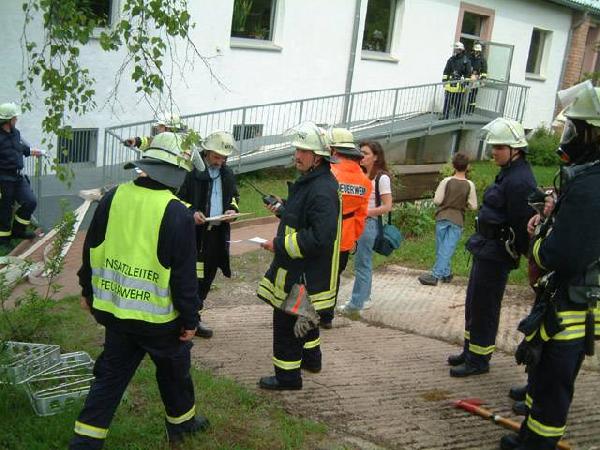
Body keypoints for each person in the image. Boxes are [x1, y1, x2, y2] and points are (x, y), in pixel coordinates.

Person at [70, 132, 207, 449]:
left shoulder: (112, 197)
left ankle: (84, 442)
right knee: (174, 374)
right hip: (160, 323)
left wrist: (87, 291)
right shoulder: (177, 212)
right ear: (176, 172)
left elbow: (91, 251)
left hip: (116, 313)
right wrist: (190, 319)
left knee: (109, 379)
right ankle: (182, 426)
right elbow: (184, 277)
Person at [500, 81, 600, 450]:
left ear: (592, 135)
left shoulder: (590, 188)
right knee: (544, 377)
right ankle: (529, 436)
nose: (568, 137)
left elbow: (560, 255)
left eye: (574, 129)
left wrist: (539, 237)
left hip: (572, 306)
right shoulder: (588, 181)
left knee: (553, 384)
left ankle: (536, 444)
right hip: (574, 301)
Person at [448, 118, 537, 377]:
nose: (493, 151)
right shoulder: (509, 173)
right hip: (486, 247)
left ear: (515, 150)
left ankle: (479, 360)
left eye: (499, 147)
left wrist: (524, 254)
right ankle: (470, 350)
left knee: (485, 307)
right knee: (474, 303)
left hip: (498, 253)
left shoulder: (520, 181)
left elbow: (523, 222)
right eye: (494, 146)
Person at [257, 121, 341, 390]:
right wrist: (284, 209)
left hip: (303, 275)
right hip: (303, 273)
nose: (297, 155)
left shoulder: (322, 189)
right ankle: (312, 360)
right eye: (297, 149)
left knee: (287, 325)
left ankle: (287, 378)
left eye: (303, 151)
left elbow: (319, 237)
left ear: (318, 157)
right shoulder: (312, 182)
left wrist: (279, 245)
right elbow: (303, 218)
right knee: (307, 318)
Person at [178, 131, 240, 339]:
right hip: (194, 236)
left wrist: (232, 210)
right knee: (192, 278)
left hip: (216, 235)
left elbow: (234, 197)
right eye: (216, 157)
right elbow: (176, 199)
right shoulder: (191, 173)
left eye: (223, 158)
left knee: (207, 277)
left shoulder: (227, 174)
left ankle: (194, 318)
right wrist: (191, 212)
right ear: (206, 153)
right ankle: (186, 319)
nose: (219, 162)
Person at [319, 128, 371, 329]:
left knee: (315, 274)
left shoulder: (328, 173)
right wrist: (352, 236)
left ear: (333, 150)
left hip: (322, 232)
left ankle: (310, 312)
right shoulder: (364, 180)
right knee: (335, 276)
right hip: (345, 236)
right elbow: (361, 215)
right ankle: (327, 316)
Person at [338, 140, 392, 315]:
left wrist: (365, 212)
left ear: (376, 157)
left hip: (368, 223)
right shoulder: (359, 174)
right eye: (360, 152)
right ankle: (364, 298)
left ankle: (356, 304)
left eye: (366, 153)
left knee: (362, 263)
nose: (362, 156)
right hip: (354, 222)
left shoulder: (381, 178)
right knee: (363, 262)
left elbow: (387, 206)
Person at [418, 152, 477, 286]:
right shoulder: (469, 184)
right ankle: (446, 273)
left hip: (442, 216)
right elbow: (473, 206)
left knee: (442, 247)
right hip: (457, 219)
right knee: (447, 247)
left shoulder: (446, 181)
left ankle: (435, 276)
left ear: (453, 166)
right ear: (467, 166)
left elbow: (437, 200)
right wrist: (464, 203)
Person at [0, 102, 44, 248]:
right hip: (4, 178)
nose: (16, 119)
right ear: (7, 120)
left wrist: (32, 151)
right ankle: (3, 240)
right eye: (14, 117)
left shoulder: (16, 133)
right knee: (5, 209)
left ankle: (18, 231)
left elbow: (18, 147)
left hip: (18, 177)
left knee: (30, 201)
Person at [442, 42, 472, 120]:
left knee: (458, 102)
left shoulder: (466, 61)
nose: (455, 50)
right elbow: (446, 71)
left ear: (461, 50)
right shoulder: (451, 59)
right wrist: (444, 80)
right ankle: (445, 115)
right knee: (447, 101)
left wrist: (465, 83)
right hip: (450, 84)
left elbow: (468, 73)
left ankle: (457, 116)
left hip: (460, 85)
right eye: (455, 49)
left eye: (457, 49)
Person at [467, 42, 488, 115]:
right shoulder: (470, 57)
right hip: (468, 77)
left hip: (476, 78)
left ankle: (470, 110)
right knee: (464, 93)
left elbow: (484, 71)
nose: (476, 52)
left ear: (480, 51)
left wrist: (482, 79)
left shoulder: (482, 60)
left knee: (473, 94)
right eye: (475, 50)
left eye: (477, 51)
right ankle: (462, 108)